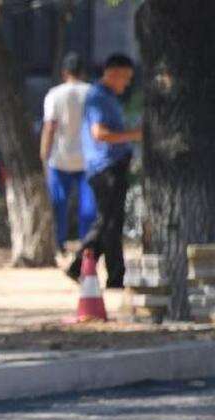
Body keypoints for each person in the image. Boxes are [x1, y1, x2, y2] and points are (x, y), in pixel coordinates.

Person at [66, 54, 142, 288]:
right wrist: (135, 135)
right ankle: (83, 266)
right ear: (112, 73)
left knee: (111, 223)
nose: (127, 83)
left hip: (112, 166)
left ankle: (106, 272)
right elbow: (99, 134)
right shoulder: (99, 97)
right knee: (107, 222)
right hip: (106, 168)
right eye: (125, 78)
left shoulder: (109, 97)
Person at [40, 52, 94, 249]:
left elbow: (49, 127)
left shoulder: (54, 95)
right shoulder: (92, 93)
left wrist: (44, 154)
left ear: (64, 73)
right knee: (88, 206)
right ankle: (87, 243)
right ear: (83, 73)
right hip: (87, 159)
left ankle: (58, 243)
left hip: (59, 159)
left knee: (58, 204)